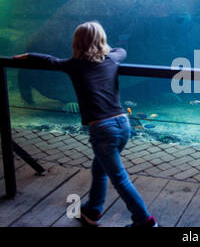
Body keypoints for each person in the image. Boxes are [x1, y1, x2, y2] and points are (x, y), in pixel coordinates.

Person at [14, 21, 158, 227]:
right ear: (102, 41)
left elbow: (50, 61)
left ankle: (145, 221)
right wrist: (109, 48)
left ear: (76, 43)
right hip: (122, 123)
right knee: (99, 169)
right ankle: (92, 210)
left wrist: (27, 56)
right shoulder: (111, 58)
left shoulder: (74, 65)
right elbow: (122, 50)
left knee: (119, 178)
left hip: (102, 129)